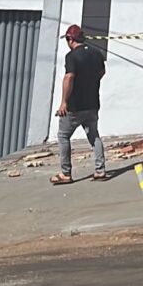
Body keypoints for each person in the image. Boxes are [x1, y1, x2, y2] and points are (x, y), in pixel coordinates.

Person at [49, 25, 108, 185]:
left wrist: (64, 103)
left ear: (70, 39)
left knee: (63, 136)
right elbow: (102, 72)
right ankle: (100, 170)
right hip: (92, 103)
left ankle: (66, 173)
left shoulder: (72, 56)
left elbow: (69, 78)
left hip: (75, 106)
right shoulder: (96, 54)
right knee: (93, 135)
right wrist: (90, 82)